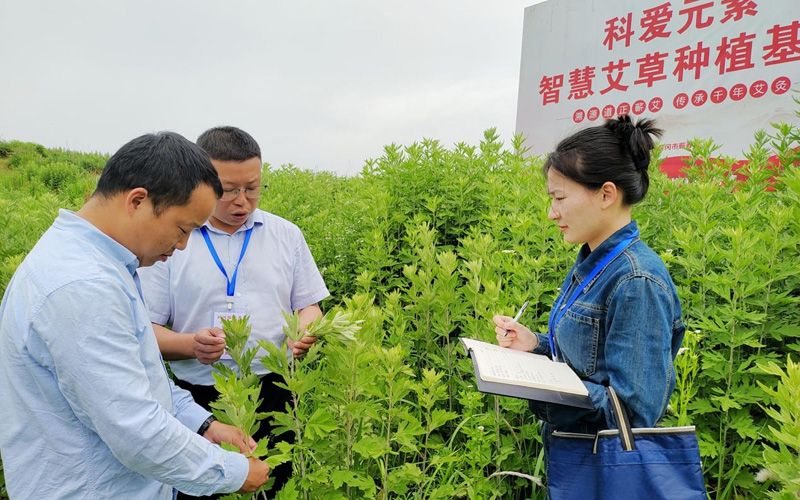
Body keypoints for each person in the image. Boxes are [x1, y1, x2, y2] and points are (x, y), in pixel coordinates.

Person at [0, 132, 270, 499]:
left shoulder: (101, 264)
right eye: (182, 228)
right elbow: (135, 429)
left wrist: (204, 424)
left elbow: (141, 377)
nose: (182, 245)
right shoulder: (83, 286)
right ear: (138, 201)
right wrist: (235, 473)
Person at [138, 126, 329, 498]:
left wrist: (304, 330)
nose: (242, 201)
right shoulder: (172, 239)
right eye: (228, 190)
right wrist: (190, 344)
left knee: (276, 486)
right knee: (201, 490)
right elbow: (146, 331)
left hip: (275, 389)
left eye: (253, 187)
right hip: (198, 398)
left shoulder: (286, 235)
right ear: (199, 182)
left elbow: (309, 305)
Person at [493, 116, 685, 451]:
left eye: (560, 198)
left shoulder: (636, 280)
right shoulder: (595, 261)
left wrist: (544, 388)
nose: (552, 213)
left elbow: (634, 415)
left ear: (606, 194)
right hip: (574, 453)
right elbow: (591, 360)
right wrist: (534, 345)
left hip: (603, 465)